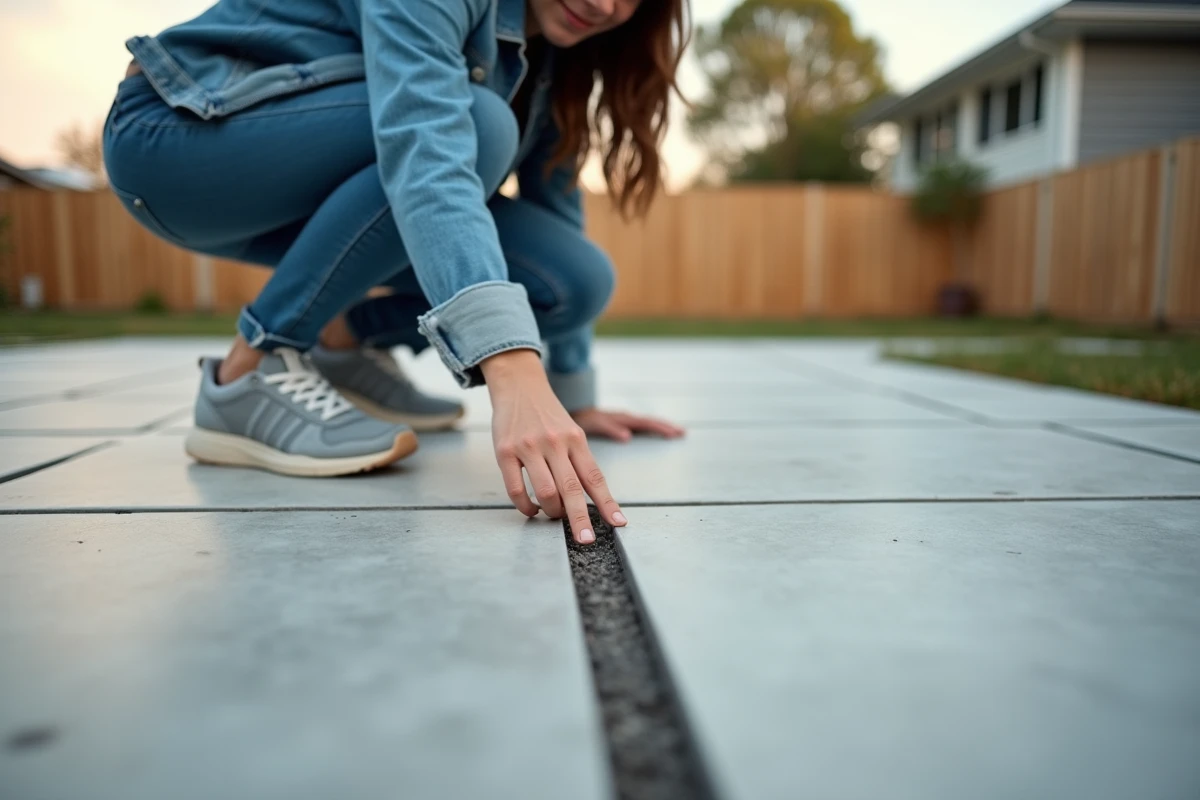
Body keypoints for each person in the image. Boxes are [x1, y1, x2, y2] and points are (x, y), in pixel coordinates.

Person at [102, 0, 688, 545]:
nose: (606, 5)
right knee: (478, 125)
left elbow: (552, 204)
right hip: (178, 142)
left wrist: (570, 395)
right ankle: (246, 373)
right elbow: (425, 146)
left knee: (574, 281)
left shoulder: (554, 58)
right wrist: (512, 369)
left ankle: (344, 343)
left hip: (307, 197)